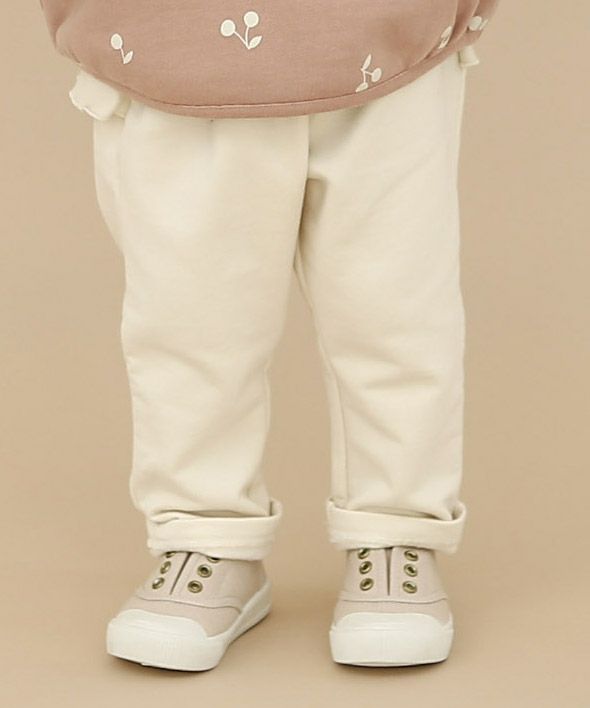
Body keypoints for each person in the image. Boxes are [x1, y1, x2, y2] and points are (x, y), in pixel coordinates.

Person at [39, 0, 499, 670]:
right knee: (191, 326)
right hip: (169, 41)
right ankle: (206, 536)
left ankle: (395, 531)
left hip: (390, 37)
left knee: (395, 316)